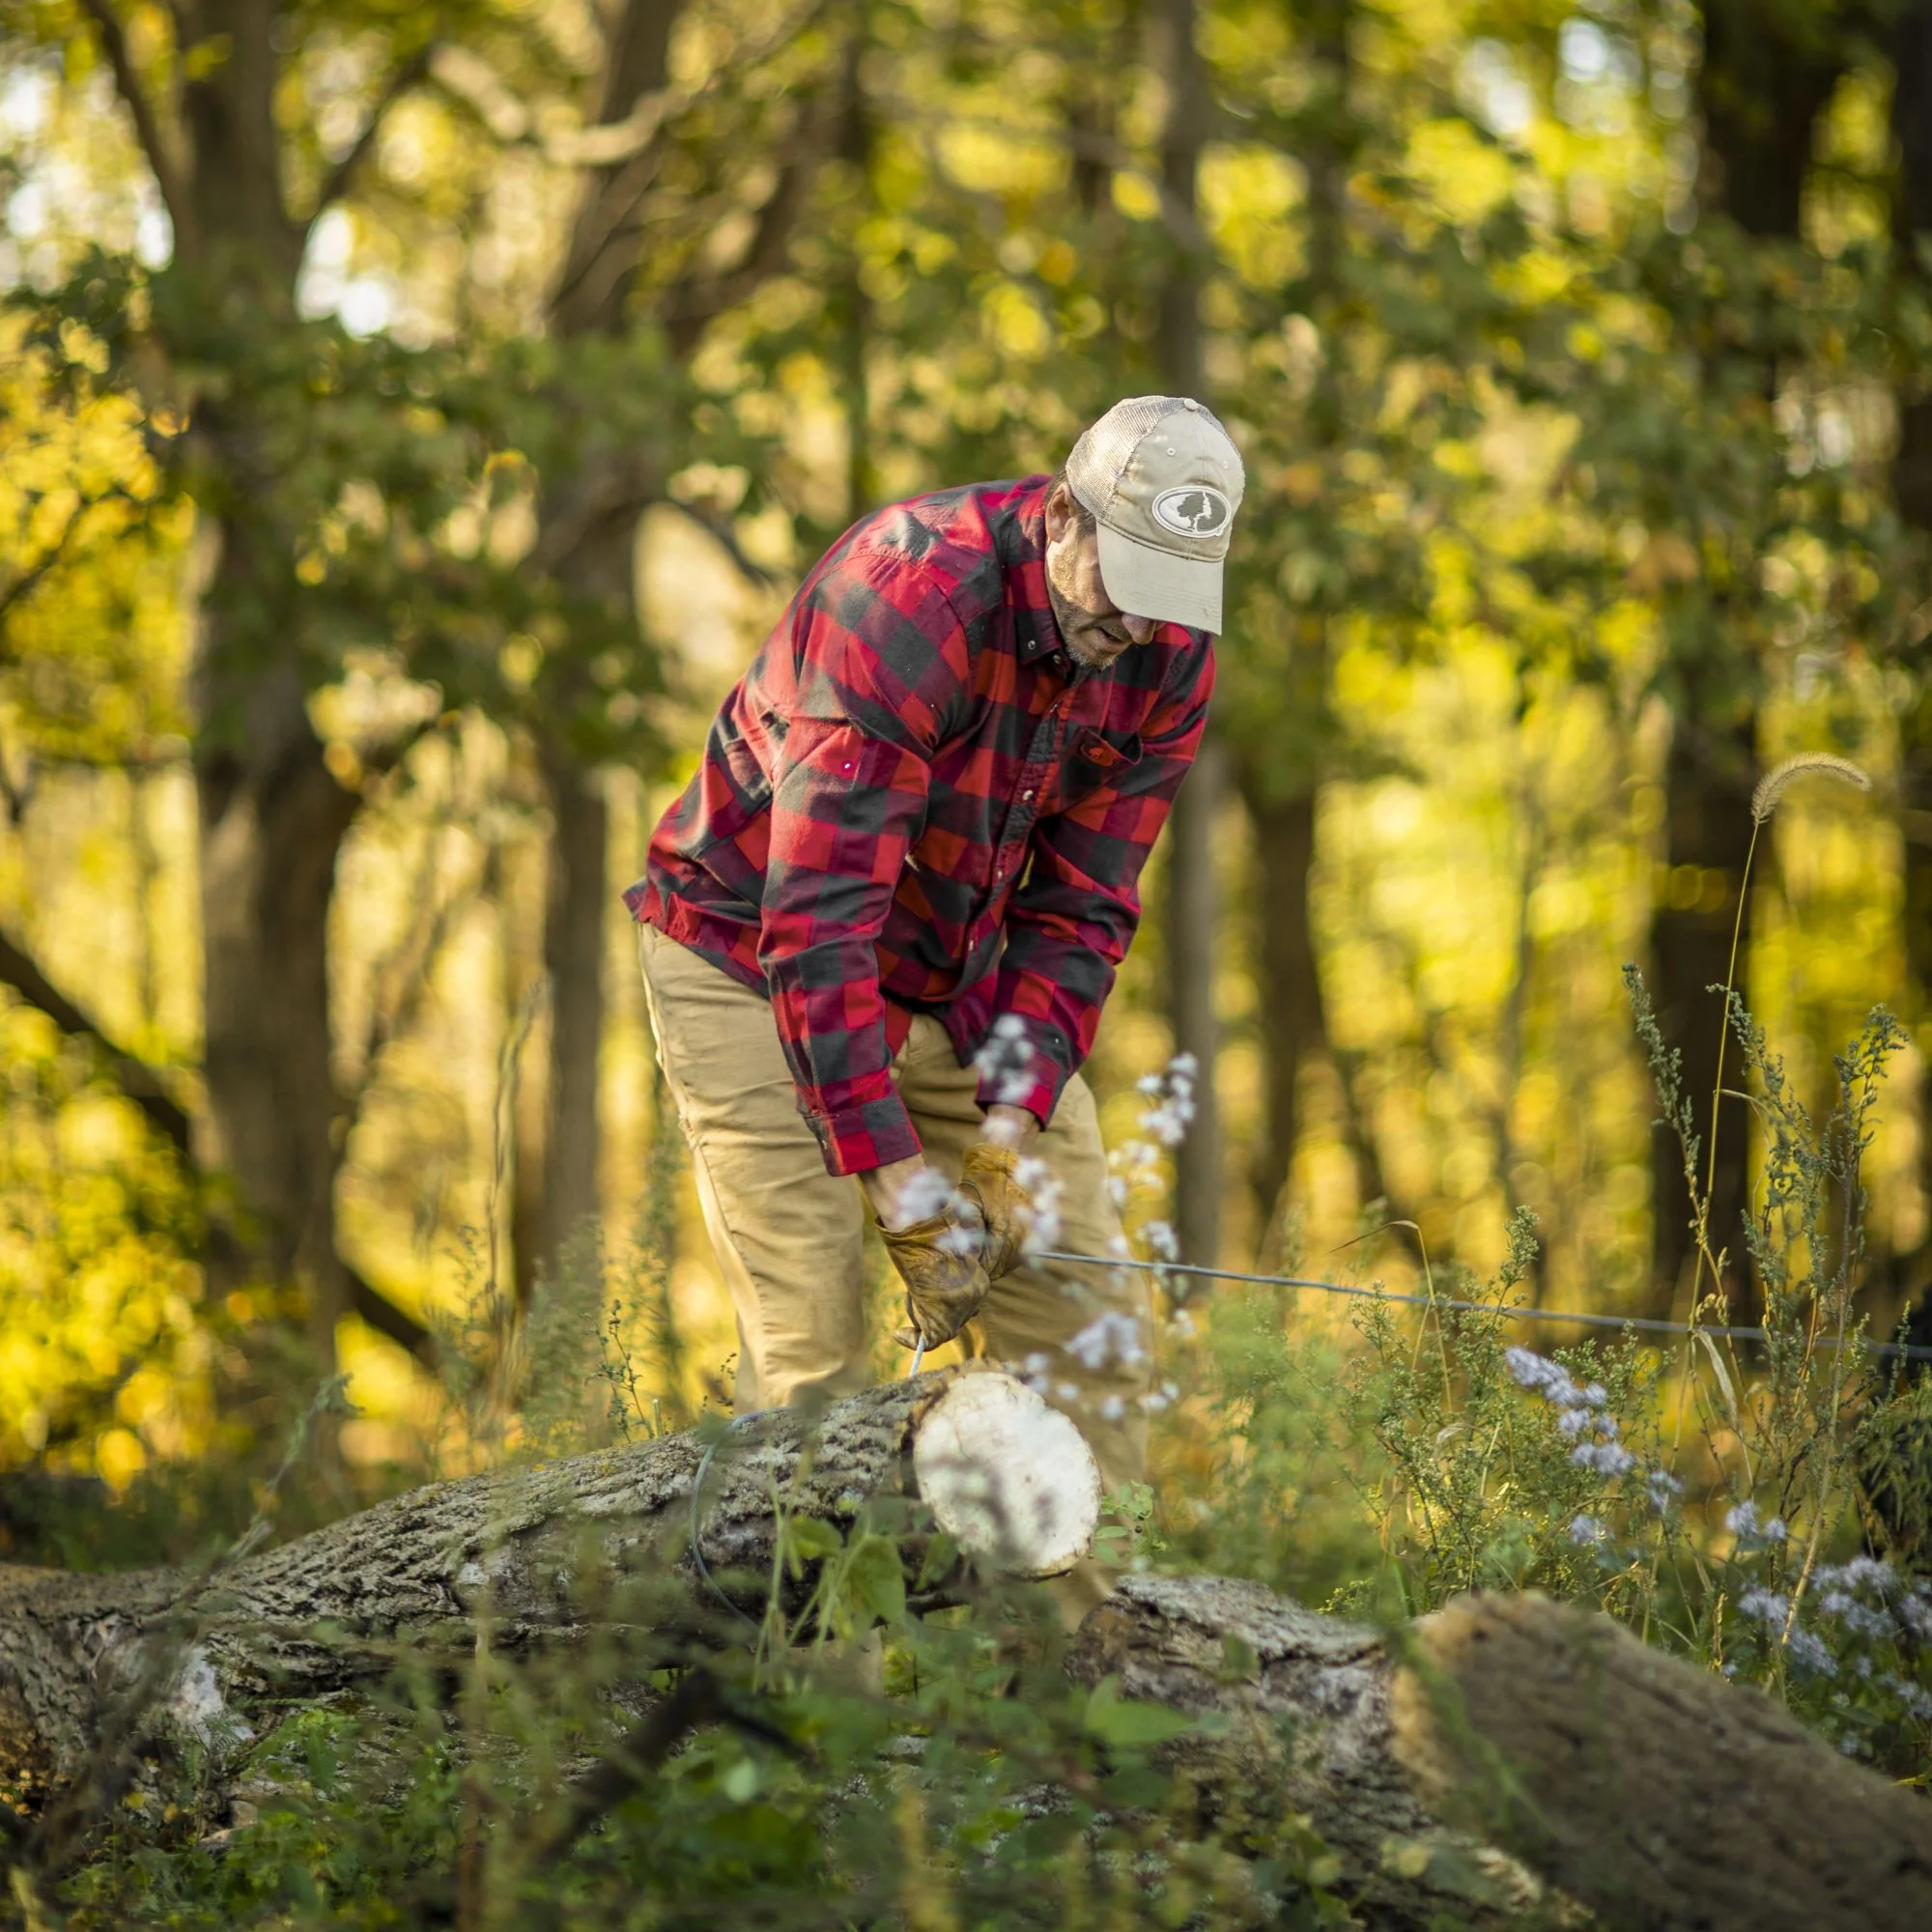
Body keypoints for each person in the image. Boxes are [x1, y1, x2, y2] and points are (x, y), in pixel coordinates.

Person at [624, 395, 1243, 1610]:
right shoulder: (907, 600)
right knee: (814, 1365)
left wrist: (1001, 1146)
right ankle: (808, 1692)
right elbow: (816, 934)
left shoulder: (1166, 651)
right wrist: (907, 1200)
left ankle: (1081, 1677)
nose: (1134, 622)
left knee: (1087, 1325)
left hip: (953, 978)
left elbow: (1081, 911)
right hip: (750, 956)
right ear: (1060, 515)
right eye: (1122, 579)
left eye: (1167, 593)